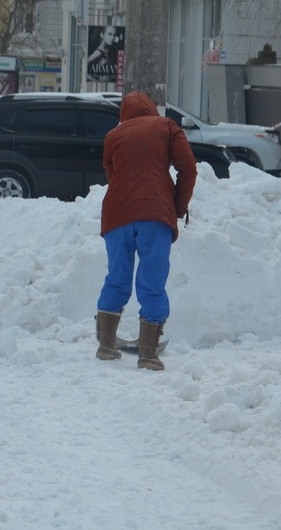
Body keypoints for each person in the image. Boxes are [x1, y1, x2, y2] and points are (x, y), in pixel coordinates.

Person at [95, 91, 197, 371]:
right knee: (152, 278)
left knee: (117, 275)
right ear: (152, 108)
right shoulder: (166, 127)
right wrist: (177, 206)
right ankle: (148, 354)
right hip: (154, 213)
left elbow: (113, 174)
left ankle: (105, 344)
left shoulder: (113, 136)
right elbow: (187, 168)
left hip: (116, 213)